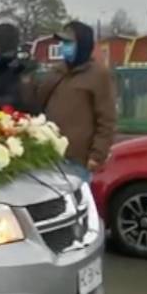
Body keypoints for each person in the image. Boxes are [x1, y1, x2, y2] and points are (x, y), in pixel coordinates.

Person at [24, 21, 117, 178]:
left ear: (82, 45)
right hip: (49, 154)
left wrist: (97, 155)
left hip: (78, 159)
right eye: (61, 42)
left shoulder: (99, 75)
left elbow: (107, 119)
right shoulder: (57, 71)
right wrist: (26, 79)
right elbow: (37, 101)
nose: (63, 46)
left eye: (68, 42)